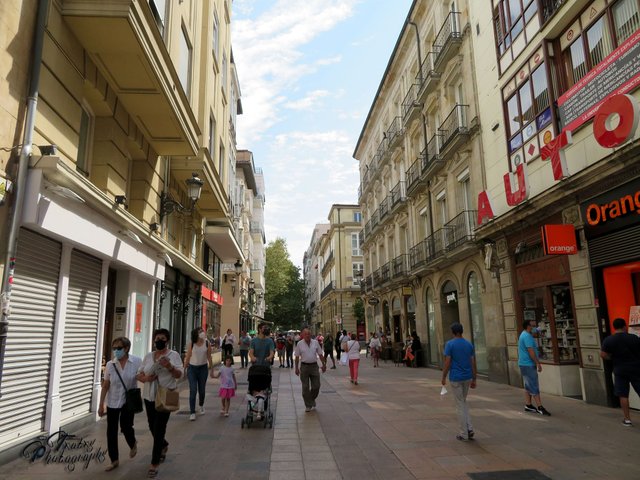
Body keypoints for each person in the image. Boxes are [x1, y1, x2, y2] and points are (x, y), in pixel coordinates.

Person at [137, 328, 183, 479]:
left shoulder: (173, 355)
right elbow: (139, 373)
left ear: (167, 341)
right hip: (149, 396)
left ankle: (154, 463)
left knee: (159, 428)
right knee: (151, 425)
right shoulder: (149, 356)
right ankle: (163, 444)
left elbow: (179, 375)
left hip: (166, 396)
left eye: (162, 338)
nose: (159, 340)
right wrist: (145, 379)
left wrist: (169, 367)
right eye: (157, 338)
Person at [98, 337, 141, 472]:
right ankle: (114, 460)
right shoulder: (111, 365)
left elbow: (143, 376)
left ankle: (132, 443)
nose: (116, 351)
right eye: (114, 348)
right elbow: (106, 385)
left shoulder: (136, 362)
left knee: (126, 427)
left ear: (126, 348)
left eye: (119, 348)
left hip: (128, 402)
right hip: (113, 401)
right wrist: (101, 404)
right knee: (111, 431)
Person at [600, 317, 640, 426]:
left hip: (620, 369)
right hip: (636, 368)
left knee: (623, 394)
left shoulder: (609, 340)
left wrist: (611, 358)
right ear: (624, 326)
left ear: (614, 327)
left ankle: (627, 419)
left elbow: (603, 354)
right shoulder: (634, 338)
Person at [441, 323, 477, 442]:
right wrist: (474, 378)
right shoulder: (468, 344)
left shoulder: (450, 344)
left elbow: (448, 362)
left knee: (460, 405)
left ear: (453, 332)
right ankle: (470, 428)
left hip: (456, 377)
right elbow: (472, 362)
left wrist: (444, 376)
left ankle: (463, 433)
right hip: (467, 377)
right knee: (463, 402)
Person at [518, 320, 551, 416]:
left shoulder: (524, 334)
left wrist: (539, 329)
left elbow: (536, 330)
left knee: (528, 385)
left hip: (524, 363)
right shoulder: (527, 336)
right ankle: (540, 407)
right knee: (534, 385)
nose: (534, 327)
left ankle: (528, 405)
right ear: (528, 326)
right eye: (532, 325)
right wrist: (538, 363)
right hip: (528, 364)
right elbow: (530, 351)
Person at [183, 327, 214, 421]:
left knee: (202, 390)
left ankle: (201, 405)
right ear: (196, 334)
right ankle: (192, 412)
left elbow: (209, 356)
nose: (202, 333)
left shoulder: (207, 343)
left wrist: (212, 369)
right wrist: (184, 369)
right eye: (200, 332)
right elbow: (188, 357)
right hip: (192, 369)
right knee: (193, 390)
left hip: (203, 368)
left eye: (202, 331)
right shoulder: (192, 344)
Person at [294, 327, 327, 412]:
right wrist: (296, 368)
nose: (307, 335)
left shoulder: (315, 343)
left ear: (310, 334)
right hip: (304, 367)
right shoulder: (299, 344)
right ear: (302, 335)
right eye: (305, 334)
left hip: (314, 366)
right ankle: (308, 405)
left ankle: (311, 400)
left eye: (308, 334)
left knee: (316, 386)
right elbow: (297, 357)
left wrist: (324, 365)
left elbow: (320, 354)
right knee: (305, 387)